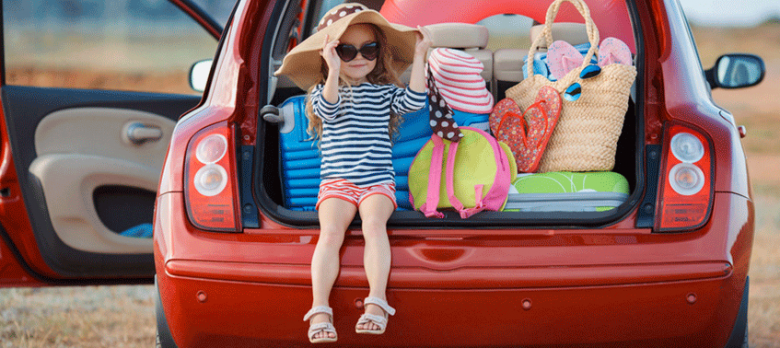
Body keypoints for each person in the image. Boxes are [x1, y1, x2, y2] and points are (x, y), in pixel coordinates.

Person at [274, 3, 432, 344]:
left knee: (375, 226)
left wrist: (420, 56)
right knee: (330, 233)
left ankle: (377, 302)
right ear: (331, 54)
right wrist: (333, 70)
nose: (359, 57)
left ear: (380, 52)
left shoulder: (384, 92)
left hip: (377, 181)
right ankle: (319, 308)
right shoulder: (321, 92)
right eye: (346, 50)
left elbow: (415, 102)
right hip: (338, 183)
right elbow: (328, 110)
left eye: (369, 49)